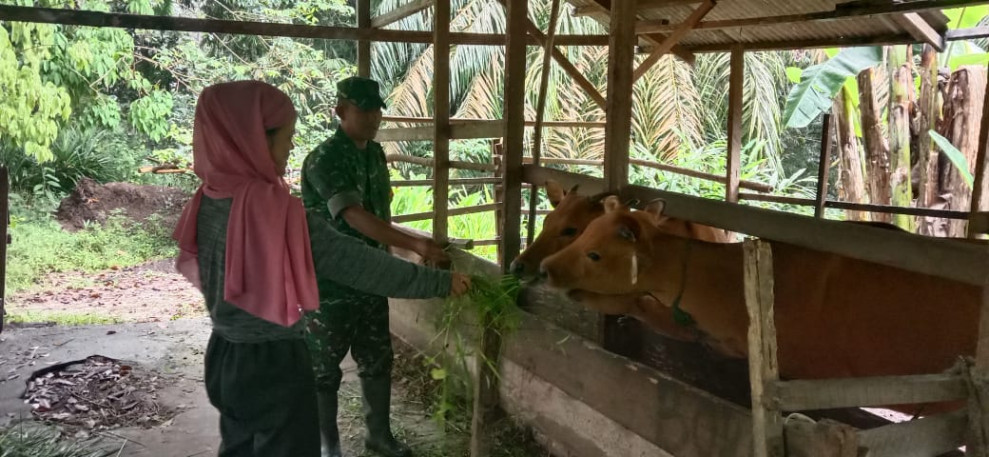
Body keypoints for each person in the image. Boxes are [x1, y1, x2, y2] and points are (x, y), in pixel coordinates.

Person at [173, 80, 471, 457]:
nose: (292, 146)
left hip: (225, 356)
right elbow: (357, 263)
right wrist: (439, 282)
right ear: (255, 141)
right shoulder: (276, 212)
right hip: (275, 360)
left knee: (239, 447)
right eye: (286, 137)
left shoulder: (205, 201)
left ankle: (374, 435)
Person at [301, 76, 448, 457]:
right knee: (323, 368)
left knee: (377, 357)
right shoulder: (324, 158)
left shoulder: (375, 154)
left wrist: (397, 248)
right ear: (340, 111)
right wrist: (416, 243)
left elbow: (380, 213)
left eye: (376, 108)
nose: (372, 116)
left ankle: (378, 437)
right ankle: (325, 447)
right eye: (362, 109)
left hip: (371, 278)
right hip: (330, 283)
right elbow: (353, 215)